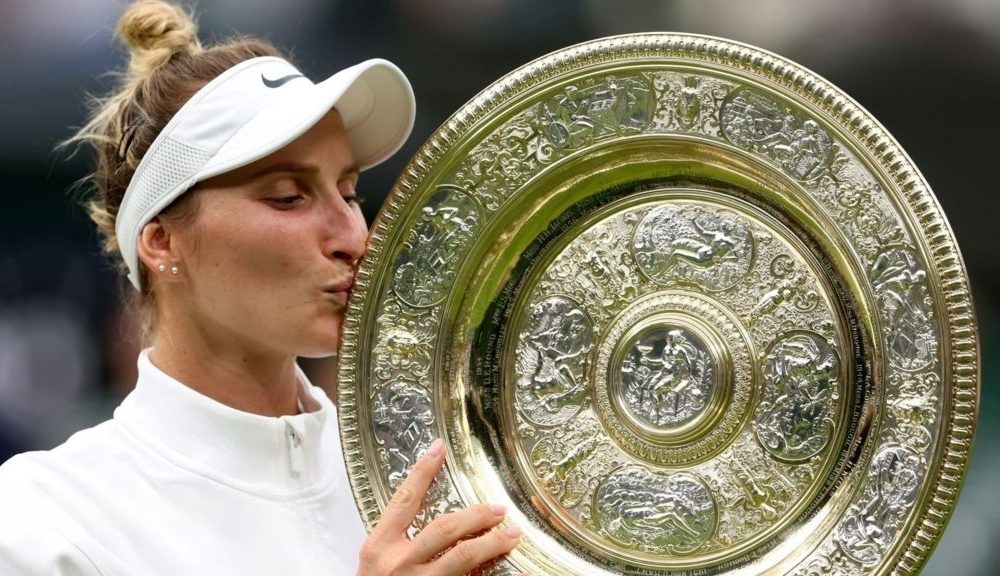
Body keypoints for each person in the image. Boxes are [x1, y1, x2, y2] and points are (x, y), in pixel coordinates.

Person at [0, 1, 522, 574]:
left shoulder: (453, 481)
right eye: (287, 196)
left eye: (348, 192)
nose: (354, 236)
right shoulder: (42, 521)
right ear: (162, 243)